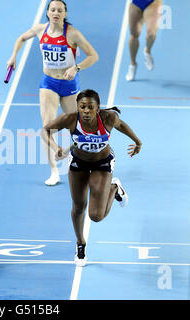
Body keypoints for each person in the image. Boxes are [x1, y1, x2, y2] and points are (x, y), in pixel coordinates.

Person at [41, 89, 142, 265]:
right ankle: (80, 244)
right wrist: (55, 147)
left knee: (96, 216)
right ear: (78, 107)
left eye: (90, 107)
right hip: (78, 163)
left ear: (98, 108)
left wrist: (137, 141)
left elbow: (122, 125)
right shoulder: (70, 119)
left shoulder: (108, 117)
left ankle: (114, 187)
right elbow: (45, 131)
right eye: (83, 107)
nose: (86, 111)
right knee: (78, 207)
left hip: (102, 164)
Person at [7, 0, 98, 186]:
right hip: (48, 83)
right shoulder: (40, 29)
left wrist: (77, 67)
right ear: (47, 12)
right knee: (47, 126)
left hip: (69, 84)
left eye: (60, 10)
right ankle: (54, 171)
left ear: (65, 14)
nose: (56, 13)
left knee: (79, 127)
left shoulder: (72, 34)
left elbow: (93, 56)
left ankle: (83, 163)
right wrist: (13, 55)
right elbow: (21, 38)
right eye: (53, 9)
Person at [126, 0, 162, 81]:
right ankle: (133, 64)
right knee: (134, 34)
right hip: (136, 3)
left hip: (153, 2)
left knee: (151, 34)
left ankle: (147, 51)